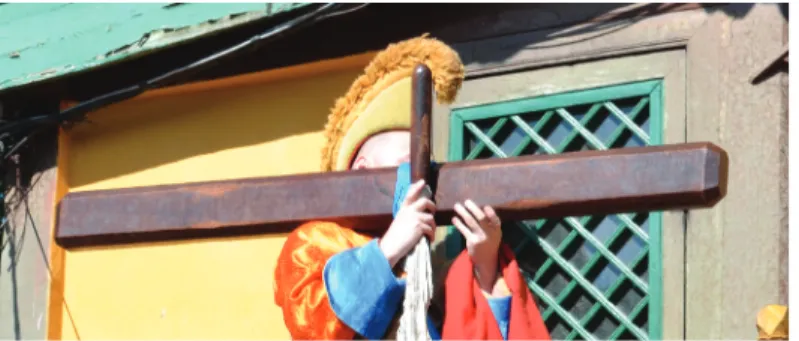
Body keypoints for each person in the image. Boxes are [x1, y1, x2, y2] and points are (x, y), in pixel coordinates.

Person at [273, 36, 550, 340]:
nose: (420, 182)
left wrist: (484, 263)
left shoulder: (433, 269)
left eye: (426, 171)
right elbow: (314, 325)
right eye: (406, 165)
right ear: (363, 171)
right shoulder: (315, 243)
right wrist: (389, 249)